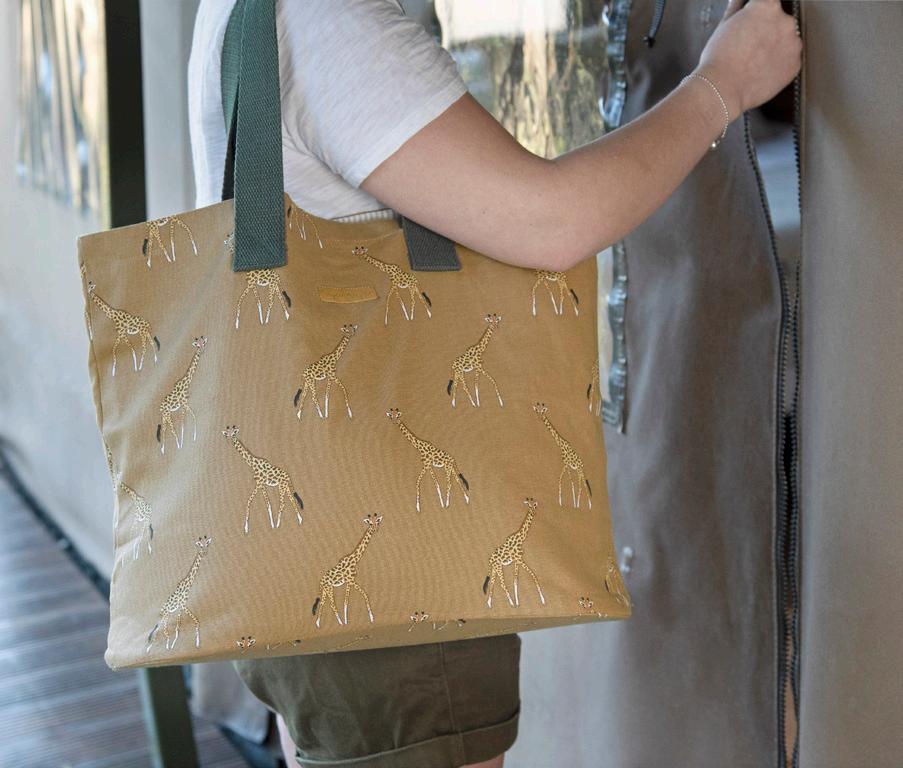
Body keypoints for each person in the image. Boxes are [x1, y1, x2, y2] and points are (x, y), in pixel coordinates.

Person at [187, 1, 801, 766]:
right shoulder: (329, 19)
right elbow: (551, 221)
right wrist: (722, 83)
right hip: (393, 586)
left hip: (298, 558)